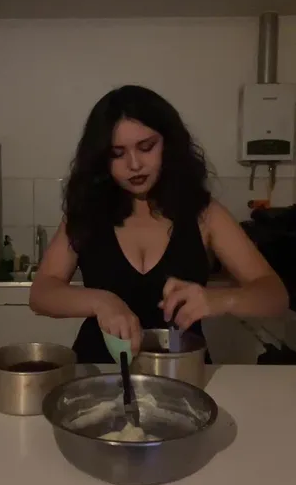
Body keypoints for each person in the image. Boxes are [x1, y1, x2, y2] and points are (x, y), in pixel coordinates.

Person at [30, 84, 288, 363]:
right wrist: (100, 301)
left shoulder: (205, 214)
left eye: (146, 147)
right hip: (99, 371)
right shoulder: (86, 213)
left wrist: (219, 300)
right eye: (117, 153)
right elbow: (41, 293)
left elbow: (275, 295)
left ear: (169, 144)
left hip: (181, 370)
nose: (134, 164)